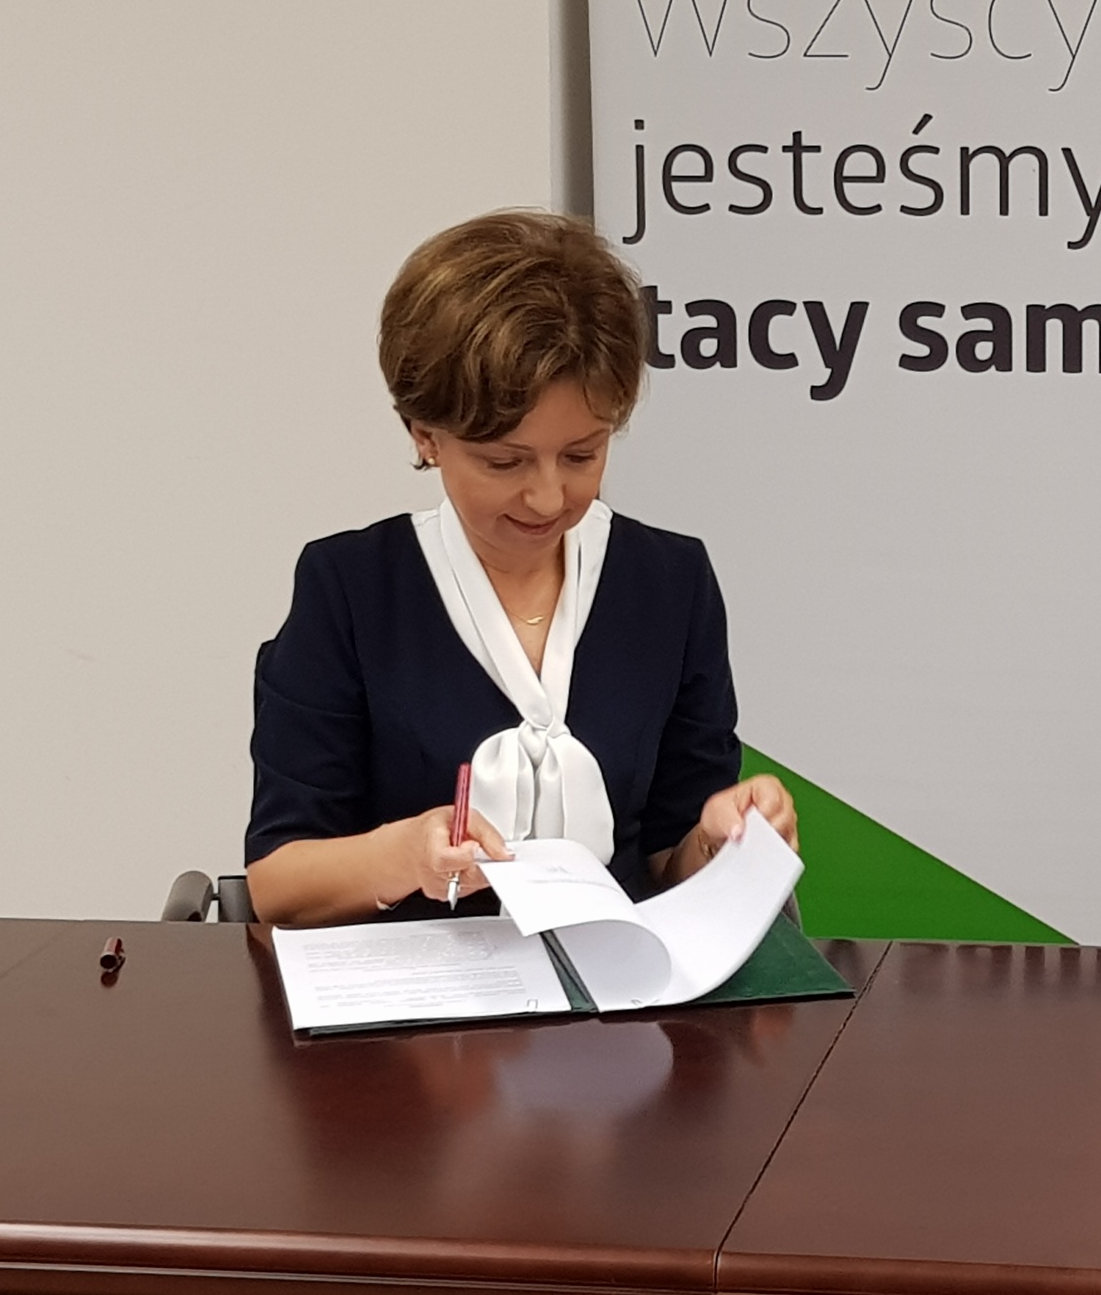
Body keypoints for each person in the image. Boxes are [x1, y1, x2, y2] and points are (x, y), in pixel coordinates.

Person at [245, 210, 795, 925]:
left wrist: (720, 839)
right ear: (425, 435)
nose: (548, 497)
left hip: (617, 980)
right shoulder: (352, 590)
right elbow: (278, 883)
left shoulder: (668, 583)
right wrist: (405, 855)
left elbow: (669, 859)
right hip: (419, 987)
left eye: (582, 454)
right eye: (505, 462)